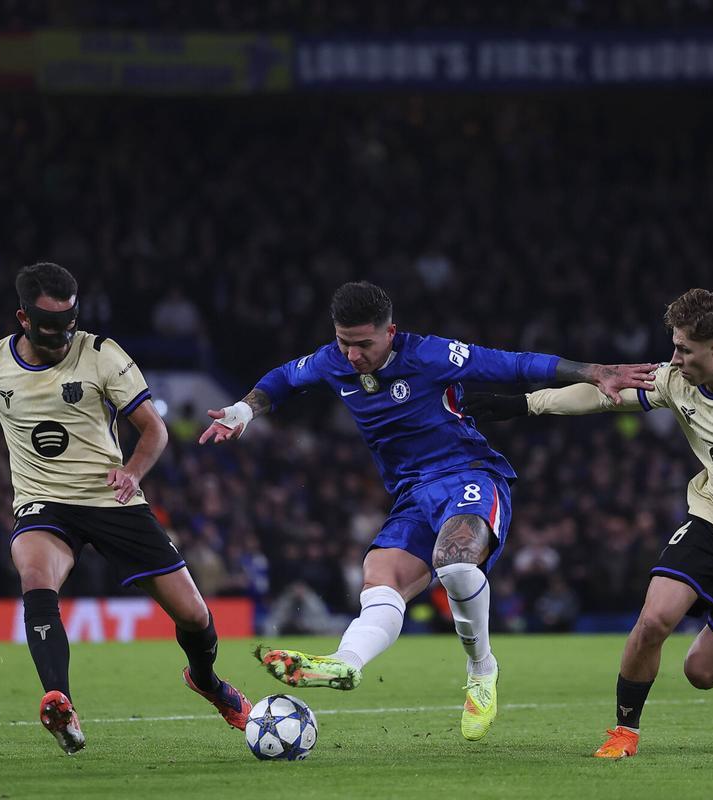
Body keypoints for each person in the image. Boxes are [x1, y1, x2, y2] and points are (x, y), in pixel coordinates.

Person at [199, 280, 655, 741]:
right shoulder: (332, 361)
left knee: (454, 561)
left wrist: (594, 370)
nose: (352, 355)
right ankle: (346, 662)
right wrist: (244, 409)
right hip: (412, 496)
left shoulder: (431, 355)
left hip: (470, 475)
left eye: (363, 344)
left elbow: (516, 365)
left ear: (390, 332)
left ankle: (482, 671)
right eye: (343, 342)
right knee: (379, 575)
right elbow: (283, 379)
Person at [464, 288, 713, 759]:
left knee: (701, 673)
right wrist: (524, 405)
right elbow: (603, 396)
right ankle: (624, 733)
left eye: (683, 349)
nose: (674, 358)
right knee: (653, 619)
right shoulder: (677, 380)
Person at [0, 262, 251, 754]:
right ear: (24, 318)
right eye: (50, 325)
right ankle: (62, 705)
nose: (62, 335)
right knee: (36, 577)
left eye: (69, 323)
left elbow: (154, 429)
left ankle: (206, 681)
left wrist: (133, 472)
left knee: (195, 616)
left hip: (111, 500)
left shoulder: (102, 356)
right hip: (43, 503)